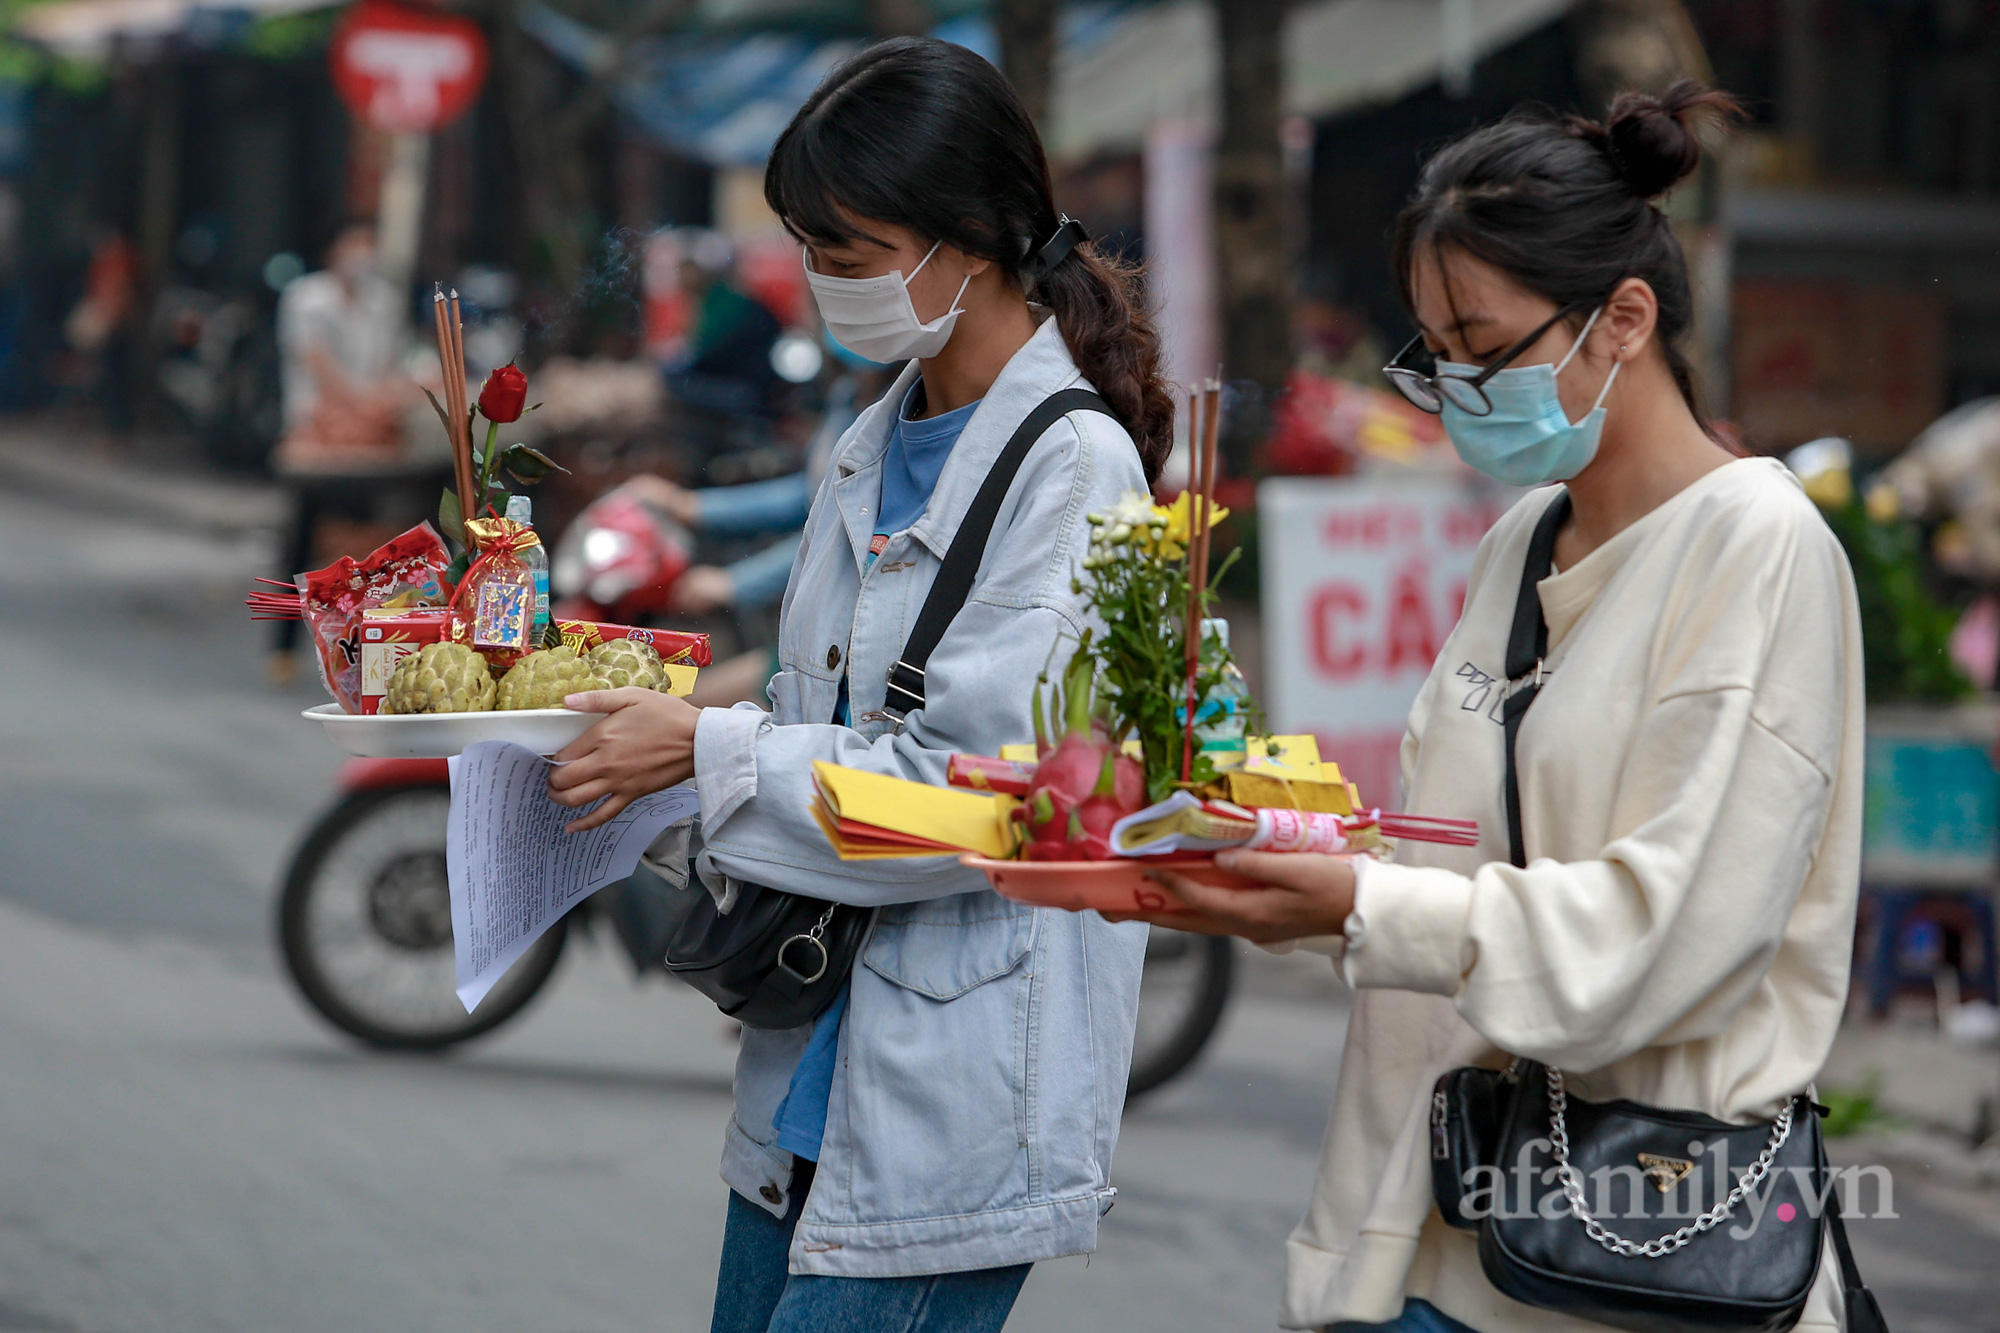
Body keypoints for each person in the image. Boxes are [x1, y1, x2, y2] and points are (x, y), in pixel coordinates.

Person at [1125, 83, 1866, 1333]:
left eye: (1481, 344)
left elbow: (1667, 933)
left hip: (1613, 1266)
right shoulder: (1526, 535)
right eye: (1432, 351)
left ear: (1622, 318)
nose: (1454, 386)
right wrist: (1281, 875)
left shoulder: (1757, 547)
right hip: (1415, 1238)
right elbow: (1453, 860)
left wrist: (1362, 904)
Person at [547, 37, 1176, 1333]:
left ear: (975, 239)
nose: (823, 286)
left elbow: (987, 800)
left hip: (949, 1098)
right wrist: (630, 743)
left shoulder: (1078, 473)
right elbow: (825, 720)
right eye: (811, 253)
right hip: (801, 1094)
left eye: (849, 256)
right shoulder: (870, 439)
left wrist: (707, 753)